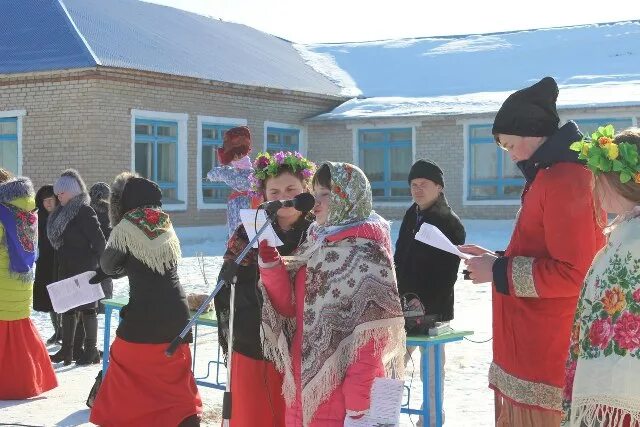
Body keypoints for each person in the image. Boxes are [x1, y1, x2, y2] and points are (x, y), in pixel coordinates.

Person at [460, 76, 605, 426]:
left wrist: (497, 271)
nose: (510, 156)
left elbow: (575, 272)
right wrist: (496, 259)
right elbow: (542, 248)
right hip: (529, 349)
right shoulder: (549, 174)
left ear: (531, 134)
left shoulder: (566, 179)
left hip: (547, 354)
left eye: (509, 146)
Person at [258, 162, 406, 426]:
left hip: (340, 394)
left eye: (326, 194)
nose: (316, 202)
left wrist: (358, 408)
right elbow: (291, 309)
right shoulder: (315, 243)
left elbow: (370, 341)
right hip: (303, 381)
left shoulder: (367, 253)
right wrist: (272, 268)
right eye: (315, 193)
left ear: (348, 196)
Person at [89, 173, 202, 427]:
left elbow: (108, 264)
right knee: (172, 380)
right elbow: (150, 265)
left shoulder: (126, 227)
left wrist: (110, 270)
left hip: (144, 317)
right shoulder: (165, 223)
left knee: (125, 367)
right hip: (177, 316)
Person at [214, 151, 315, 427]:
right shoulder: (250, 232)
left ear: (305, 190)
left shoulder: (318, 233)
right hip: (252, 342)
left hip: (302, 350)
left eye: (291, 189)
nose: (283, 196)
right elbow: (226, 286)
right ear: (265, 196)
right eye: (275, 191)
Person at [563, 126, 640, 426]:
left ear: (624, 180)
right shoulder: (624, 234)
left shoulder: (633, 242)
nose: (593, 186)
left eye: (600, 177)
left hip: (620, 399)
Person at [394, 159, 465, 426]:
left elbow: (447, 275)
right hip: (403, 307)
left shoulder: (449, 222)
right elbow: (400, 255)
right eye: (413, 185)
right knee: (393, 366)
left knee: (432, 371)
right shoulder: (411, 214)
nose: (417, 189)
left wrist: (425, 309)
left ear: (439, 187)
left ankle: (433, 419)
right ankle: (388, 417)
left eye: (423, 184)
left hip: (433, 312)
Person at [0, 169, 58, 399]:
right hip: (20, 279)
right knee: (19, 333)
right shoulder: (25, 209)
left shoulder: (3, 212)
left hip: (3, 279)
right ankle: (28, 381)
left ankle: (12, 385)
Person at [48, 169, 106, 366]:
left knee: (89, 309)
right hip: (67, 267)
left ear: (72, 191)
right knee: (68, 309)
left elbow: (99, 242)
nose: (58, 197)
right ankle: (68, 350)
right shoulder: (62, 212)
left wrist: (103, 268)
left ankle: (91, 351)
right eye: (57, 194)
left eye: (61, 193)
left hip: (85, 269)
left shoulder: (84, 210)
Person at [207, 126, 260, 238]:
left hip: (247, 239)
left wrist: (221, 172)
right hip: (236, 239)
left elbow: (236, 180)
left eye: (232, 157)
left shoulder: (250, 176)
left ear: (238, 155)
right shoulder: (238, 173)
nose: (231, 161)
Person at [32, 185, 61, 344]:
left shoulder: (62, 216)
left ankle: (66, 332)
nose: (48, 204)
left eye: (50, 200)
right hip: (45, 264)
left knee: (64, 298)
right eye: (45, 201)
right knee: (50, 298)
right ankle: (57, 330)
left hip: (62, 262)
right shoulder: (39, 218)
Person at [89, 181, 113, 312]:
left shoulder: (87, 211)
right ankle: (104, 307)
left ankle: (97, 307)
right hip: (106, 255)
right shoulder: (112, 213)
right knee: (105, 280)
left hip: (92, 254)